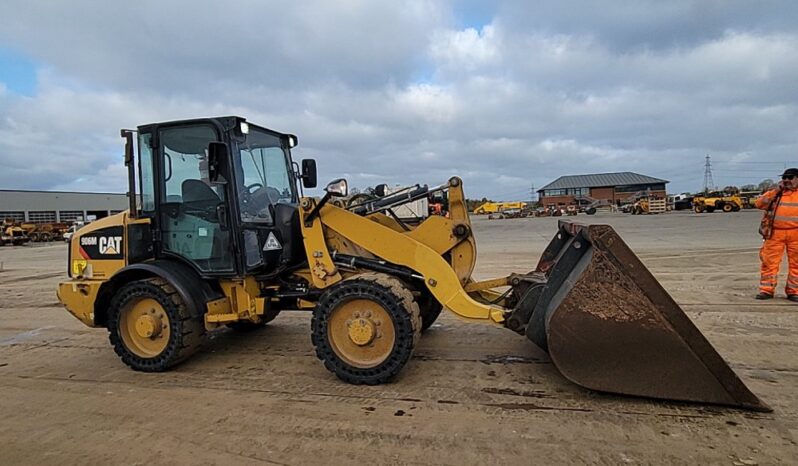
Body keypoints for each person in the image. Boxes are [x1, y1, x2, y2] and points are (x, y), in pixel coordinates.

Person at [755, 168, 798, 301]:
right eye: (784, 177)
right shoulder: (776, 193)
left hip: (796, 234)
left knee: (796, 264)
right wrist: (776, 190)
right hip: (774, 234)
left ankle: (794, 291)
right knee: (769, 263)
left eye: (790, 178)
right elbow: (759, 204)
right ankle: (766, 290)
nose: (786, 180)